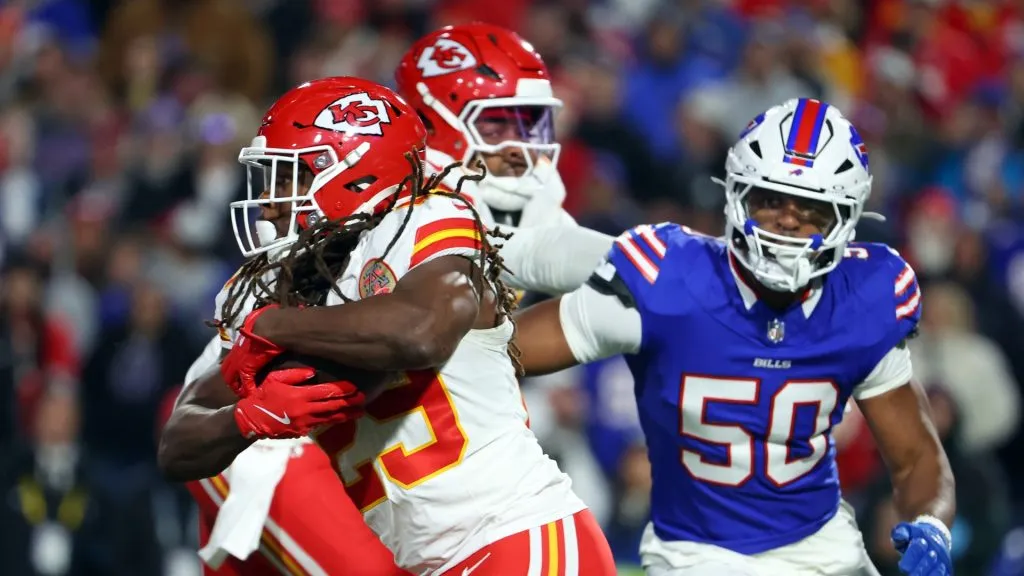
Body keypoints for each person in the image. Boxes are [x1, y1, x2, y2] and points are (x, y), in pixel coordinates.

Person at [159, 76, 617, 575]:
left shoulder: (426, 219)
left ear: (352, 174)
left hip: (517, 536)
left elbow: (420, 332)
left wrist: (277, 328)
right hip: (437, 561)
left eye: (288, 178)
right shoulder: (279, 283)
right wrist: (246, 419)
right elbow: (177, 445)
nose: (270, 203)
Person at [512, 98, 956, 576]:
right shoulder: (668, 280)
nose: (788, 221)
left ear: (844, 217)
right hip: (697, 553)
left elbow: (916, 456)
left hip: (823, 546)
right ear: (737, 196)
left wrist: (931, 523)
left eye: (810, 209)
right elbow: (503, 350)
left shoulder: (865, 299)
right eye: (770, 201)